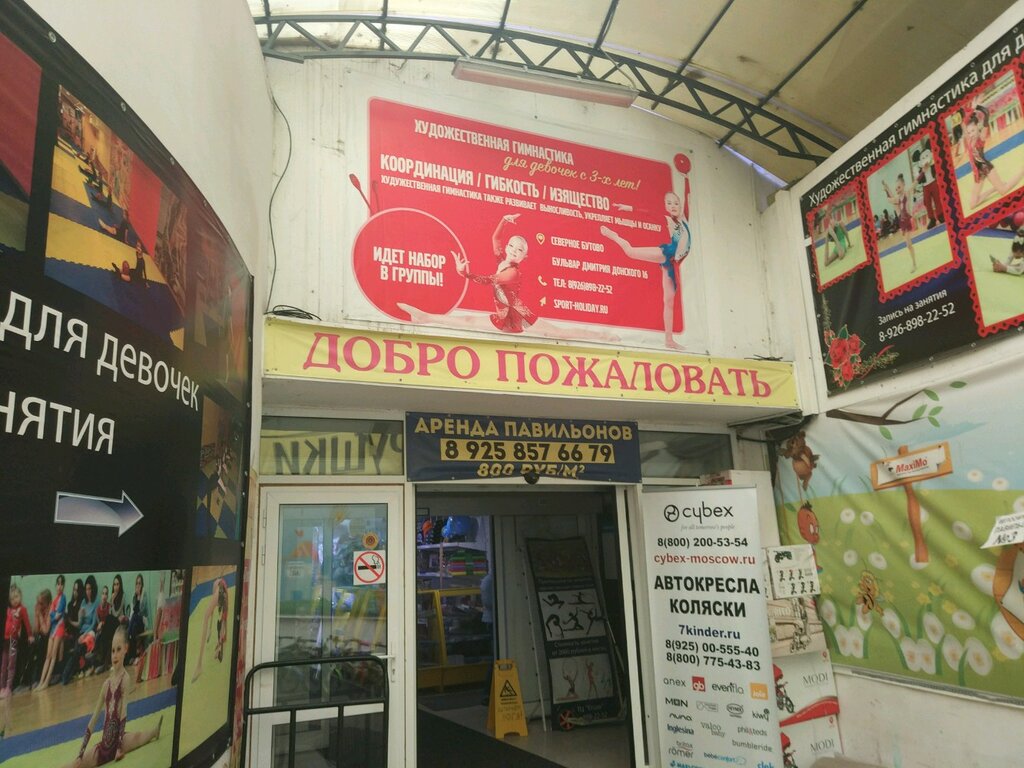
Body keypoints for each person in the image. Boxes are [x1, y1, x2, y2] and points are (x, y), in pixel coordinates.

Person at [399, 213, 618, 342]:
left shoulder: (513, 272)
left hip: (516, 315)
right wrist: (504, 220)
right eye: (512, 245)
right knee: (468, 321)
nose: (514, 250)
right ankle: (425, 317)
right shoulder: (502, 259)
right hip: (508, 310)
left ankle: (602, 336)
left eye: (519, 249)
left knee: (559, 333)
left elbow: (488, 280)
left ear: (524, 256)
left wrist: (464, 273)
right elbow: (496, 239)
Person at [600, 186, 693, 349]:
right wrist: (629, 208)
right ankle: (614, 236)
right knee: (630, 252)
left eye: (676, 203)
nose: (673, 206)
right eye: (669, 203)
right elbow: (649, 213)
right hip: (667, 253)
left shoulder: (684, 219)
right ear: (665, 206)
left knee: (669, 301)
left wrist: (685, 177)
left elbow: (688, 196)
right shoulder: (668, 219)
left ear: (680, 205)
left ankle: (669, 340)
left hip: (672, 264)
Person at [62, 626, 162, 768]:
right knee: (76, 764)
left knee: (138, 737)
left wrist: (119, 748)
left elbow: (123, 713)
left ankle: (154, 731)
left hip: (119, 741)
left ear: (126, 649)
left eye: (118, 649)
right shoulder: (106, 685)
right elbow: (94, 719)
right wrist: (81, 753)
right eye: (113, 651)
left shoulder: (125, 679)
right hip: (104, 746)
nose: (114, 655)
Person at [956, 99, 1024, 211]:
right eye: (969, 132)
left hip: (985, 168)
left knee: (1003, 190)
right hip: (978, 173)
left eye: (973, 131)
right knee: (972, 205)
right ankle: (993, 189)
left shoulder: (980, 138)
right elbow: (963, 122)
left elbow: (986, 116)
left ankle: (1022, 172)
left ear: (977, 128)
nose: (971, 134)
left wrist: (979, 108)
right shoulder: (968, 140)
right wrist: (966, 110)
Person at [1, 585, 33, 737]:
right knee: (3, 664)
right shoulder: (8, 609)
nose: (15, 600)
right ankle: (1, 686)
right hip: (5, 639)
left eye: (17, 597)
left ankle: (8, 687)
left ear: (20, 596)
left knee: (11, 665)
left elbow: (26, 623)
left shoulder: (22, 609)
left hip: (13, 640)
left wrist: (30, 635)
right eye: (12, 598)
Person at [190, 578, 229, 682]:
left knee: (208, 617)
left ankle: (199, 665)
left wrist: (212, 632)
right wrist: (210, 631)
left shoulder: (218, 593)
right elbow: (219, 615)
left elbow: (218, 616)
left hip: (221, 590)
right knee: (217, 618)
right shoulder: (218, 591)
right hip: (222, 589)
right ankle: (218, 647)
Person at [63, 575, 99, 684]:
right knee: (77, 648)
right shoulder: (83, 602)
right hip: (82, 631)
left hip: (90, 632)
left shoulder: (96, 603)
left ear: (93, 589)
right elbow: (80, 624)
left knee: (81, 647)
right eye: (86, 589)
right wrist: (78, 616)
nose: (88, 591)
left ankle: (66, 674)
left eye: (90, 589)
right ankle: (69, 674)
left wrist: (84, 634)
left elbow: (93, 624)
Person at [881, 173, 919, 272]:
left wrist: (922, 172)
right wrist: (886, 190)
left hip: (907, 219)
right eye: (896, 188)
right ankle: (886, 187)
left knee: (909, 245)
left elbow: (915, 183)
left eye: (899, 187)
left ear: (903, 185)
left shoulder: (907, 193)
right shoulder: (897, 198)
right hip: (902, 221)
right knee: (908, 245)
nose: (897, 190)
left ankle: (914, 264)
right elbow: (889, 199)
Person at [37, 575, 67, 691]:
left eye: (61, 584)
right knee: (48, 656)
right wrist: (53, 614)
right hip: (53, 628)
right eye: (58, 584)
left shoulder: (63, 598)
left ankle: (46, 682)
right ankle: (41, 682)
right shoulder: (55, 599)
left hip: (59, 628)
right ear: (56, 585)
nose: (60, 586)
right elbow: (53, 614)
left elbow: (57, 616)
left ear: (63, 586)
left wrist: (53, 614)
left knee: (53, 656)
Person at [126, 575, 148, 666]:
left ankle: (127, 636)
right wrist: (136, 597)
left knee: (135, 616)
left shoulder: (144, 595)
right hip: (135, 624)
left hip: (142, 623)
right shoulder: (134, 596)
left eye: (140, 583)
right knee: (134, 626)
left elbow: (142, 612)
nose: (138, 585)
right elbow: (132, 612)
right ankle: (134, 656)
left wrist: (139, 597)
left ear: (142, 585)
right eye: (137, 583)